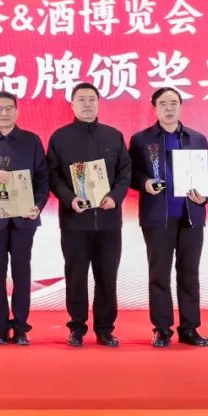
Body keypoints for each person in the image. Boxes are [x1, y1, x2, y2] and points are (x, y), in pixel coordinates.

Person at [128, 87, 208, 348]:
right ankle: (162, 329)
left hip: (191, 216)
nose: (169, 108)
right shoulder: (141, 140)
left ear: (181, 106)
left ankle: (190, 328)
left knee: (189, 273)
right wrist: (144, 183)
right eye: (163, 104)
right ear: (155, 108)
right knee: (159, 274)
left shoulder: (196, 138)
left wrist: (205, 195)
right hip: (158, 217)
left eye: (174, 103)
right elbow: (130, 174)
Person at [46, 82, 131, 347]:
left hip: (108, 221)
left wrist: (114, 197)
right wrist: (70, 199)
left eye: (92, 99)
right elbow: (53, 176)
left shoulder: (113, 136)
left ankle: (105, 329)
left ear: (98, 103)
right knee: (76, 276)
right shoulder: (60, 137)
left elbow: (125, 172)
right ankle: (77, 327)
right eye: (81, 99)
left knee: (107, 276)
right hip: (75, 221)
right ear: (72, 104)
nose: (87, 104)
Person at [0, 91, 49, 345]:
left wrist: (37, 205)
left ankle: (21, 326)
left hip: (25, 217)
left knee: (22, 272)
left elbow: (42, 179)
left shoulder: (31, 141)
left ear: (17, 111)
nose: (4, 113)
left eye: (9, 108)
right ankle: (1, 327)